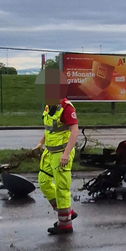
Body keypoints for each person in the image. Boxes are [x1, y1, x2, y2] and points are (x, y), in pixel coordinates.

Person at [34, 66, 79, 235]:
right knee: (44, 182)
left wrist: (66, 154)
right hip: (49, 152)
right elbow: (50, 129)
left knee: (61, 188)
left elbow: (74, 131)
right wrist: (40, 143)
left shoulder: (66, 107)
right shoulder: (49, 105)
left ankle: (65, 224)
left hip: (61, 153)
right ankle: (66, 212)